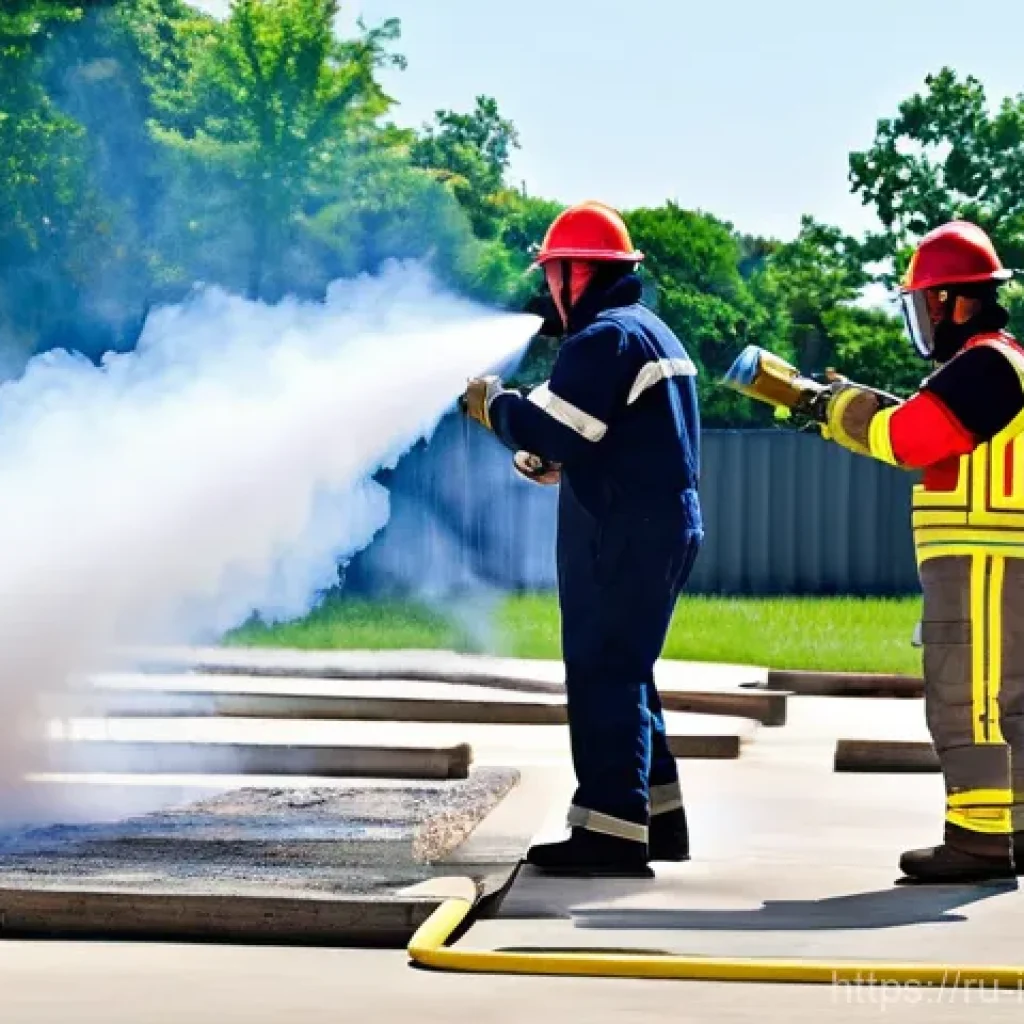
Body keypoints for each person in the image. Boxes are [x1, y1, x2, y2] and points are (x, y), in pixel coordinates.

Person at [462, 201, 703, 877]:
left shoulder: (604, 339)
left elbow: (552, 426)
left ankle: (610, 833)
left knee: (603, 670)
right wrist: (560, 455)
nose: (551, 290)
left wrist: (495, 407)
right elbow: (608, 434)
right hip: (660, 523)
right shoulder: (652, 332)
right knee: (630, 670)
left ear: (577, 273)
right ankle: (660, 820)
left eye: (555, 273)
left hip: (623, 532)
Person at [821, 220, 1024, 882]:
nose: (922, 319)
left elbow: (909, 437)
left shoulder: (987, 364)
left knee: (972, 699)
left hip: (986, 563)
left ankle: (980, 841)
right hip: (993, 561)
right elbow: (923, 427)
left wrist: (833, 410)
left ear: (951, 301)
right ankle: (1011, 833)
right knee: (1007, 701)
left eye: (923, 303)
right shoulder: (993, 364)